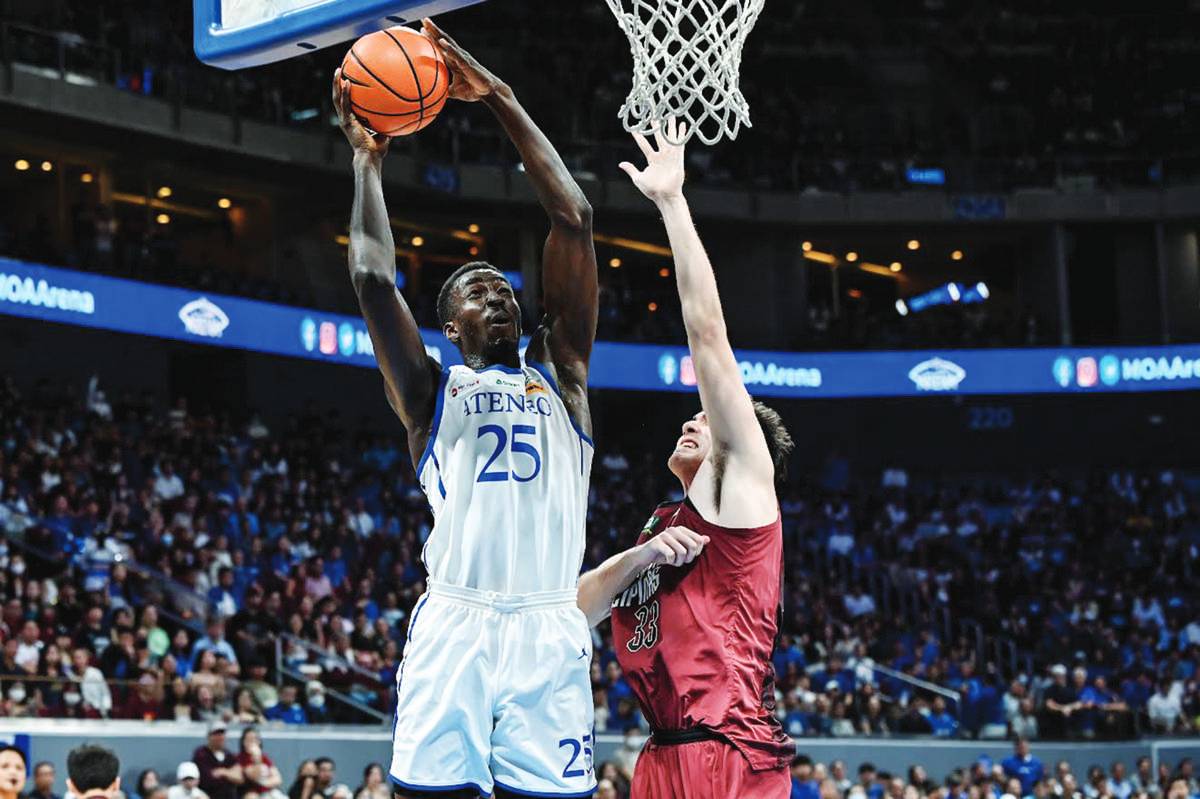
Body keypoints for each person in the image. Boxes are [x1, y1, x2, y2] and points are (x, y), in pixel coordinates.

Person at [332, 16, 598, 799]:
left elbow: (573, 220)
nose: (502, 295)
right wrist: (367, 163)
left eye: (507, 288)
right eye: (479, 292)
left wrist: (503, 98)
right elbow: (375, 279)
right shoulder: (429, 392)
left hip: (549, 623)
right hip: (457, 622)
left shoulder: (565, 376)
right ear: (450, 329)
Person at [577, 118, 795, 798]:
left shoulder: (743, 491)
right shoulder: (662, 524)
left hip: (726, 748)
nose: (692, 418)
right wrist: (639, 557)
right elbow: (573, 606)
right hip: (661, 752)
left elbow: (707, 333)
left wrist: (672, 202)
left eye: (707, 417)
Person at [192, 721, 243, 799]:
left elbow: (240, 778)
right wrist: (230, 774)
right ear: (209, 736)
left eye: (222, 734)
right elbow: (208, 780)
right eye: (216, 734)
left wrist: (223, 772)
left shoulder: (229, 755)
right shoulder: (201, 754)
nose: (220, 737)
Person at [236, 729, 283, 799]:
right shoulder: (239, 758)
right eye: (249, 739)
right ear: (243, 742)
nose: (252, 742)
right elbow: (254, 775)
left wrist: (265, 783)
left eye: (255, 739)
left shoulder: (264, 757)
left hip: (266, 792)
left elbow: (278, 779)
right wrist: (257, 757)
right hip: (248, 792)